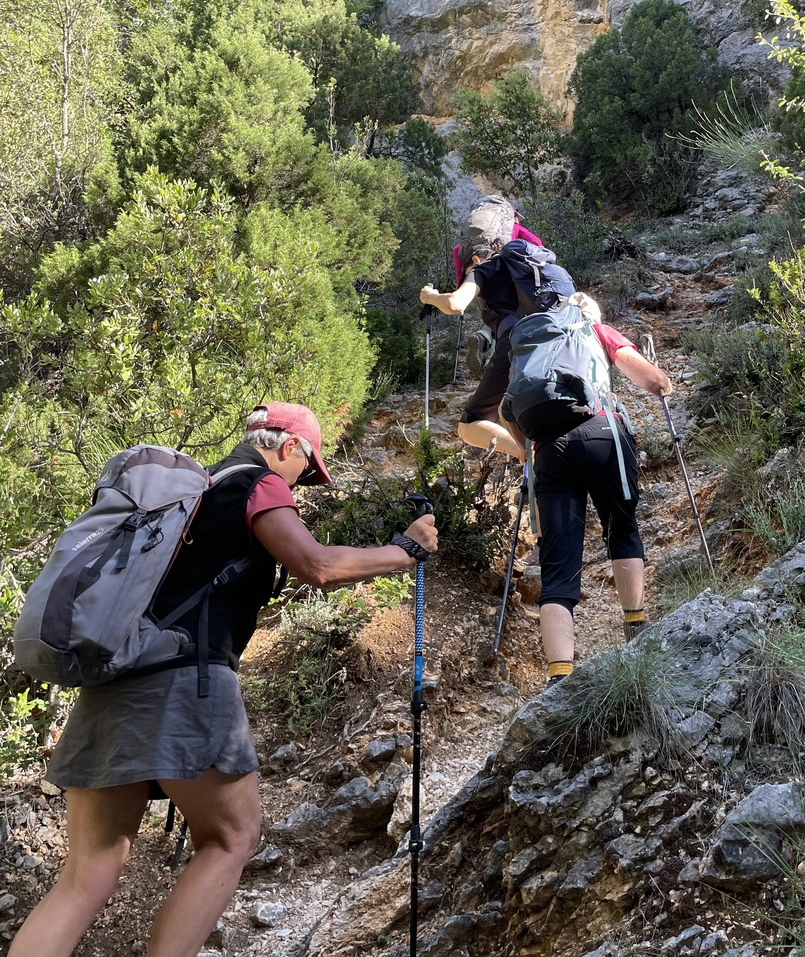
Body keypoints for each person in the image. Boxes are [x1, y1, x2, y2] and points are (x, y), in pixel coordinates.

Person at [10, 402, 437, 957]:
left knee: (83, 877)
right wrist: (405, 550)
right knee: (232, 837)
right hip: (188, 683)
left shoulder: (186, 499)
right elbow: (318, 565)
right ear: (289, 447)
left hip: (110, 685)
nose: (302, 486)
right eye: (306, 472)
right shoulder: (255, 484)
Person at [499, 295, 672, 683]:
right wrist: (664, 382)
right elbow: (651, 380)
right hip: (601, 433)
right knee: (621, 530)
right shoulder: (595, 329)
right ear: (589, 312)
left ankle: (560, 675)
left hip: (547, 451)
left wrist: (529, 453)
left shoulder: (530, 347)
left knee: (557, 563)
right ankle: (636, 628)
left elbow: (505, 411)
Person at [420, 235, 528, 461]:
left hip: (519, 341)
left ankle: (527, 453)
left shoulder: (483, 268)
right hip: (565, 338)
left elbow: (454, 304)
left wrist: (430, 297)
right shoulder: (531, 264)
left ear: (476, 259)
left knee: (470, 424)